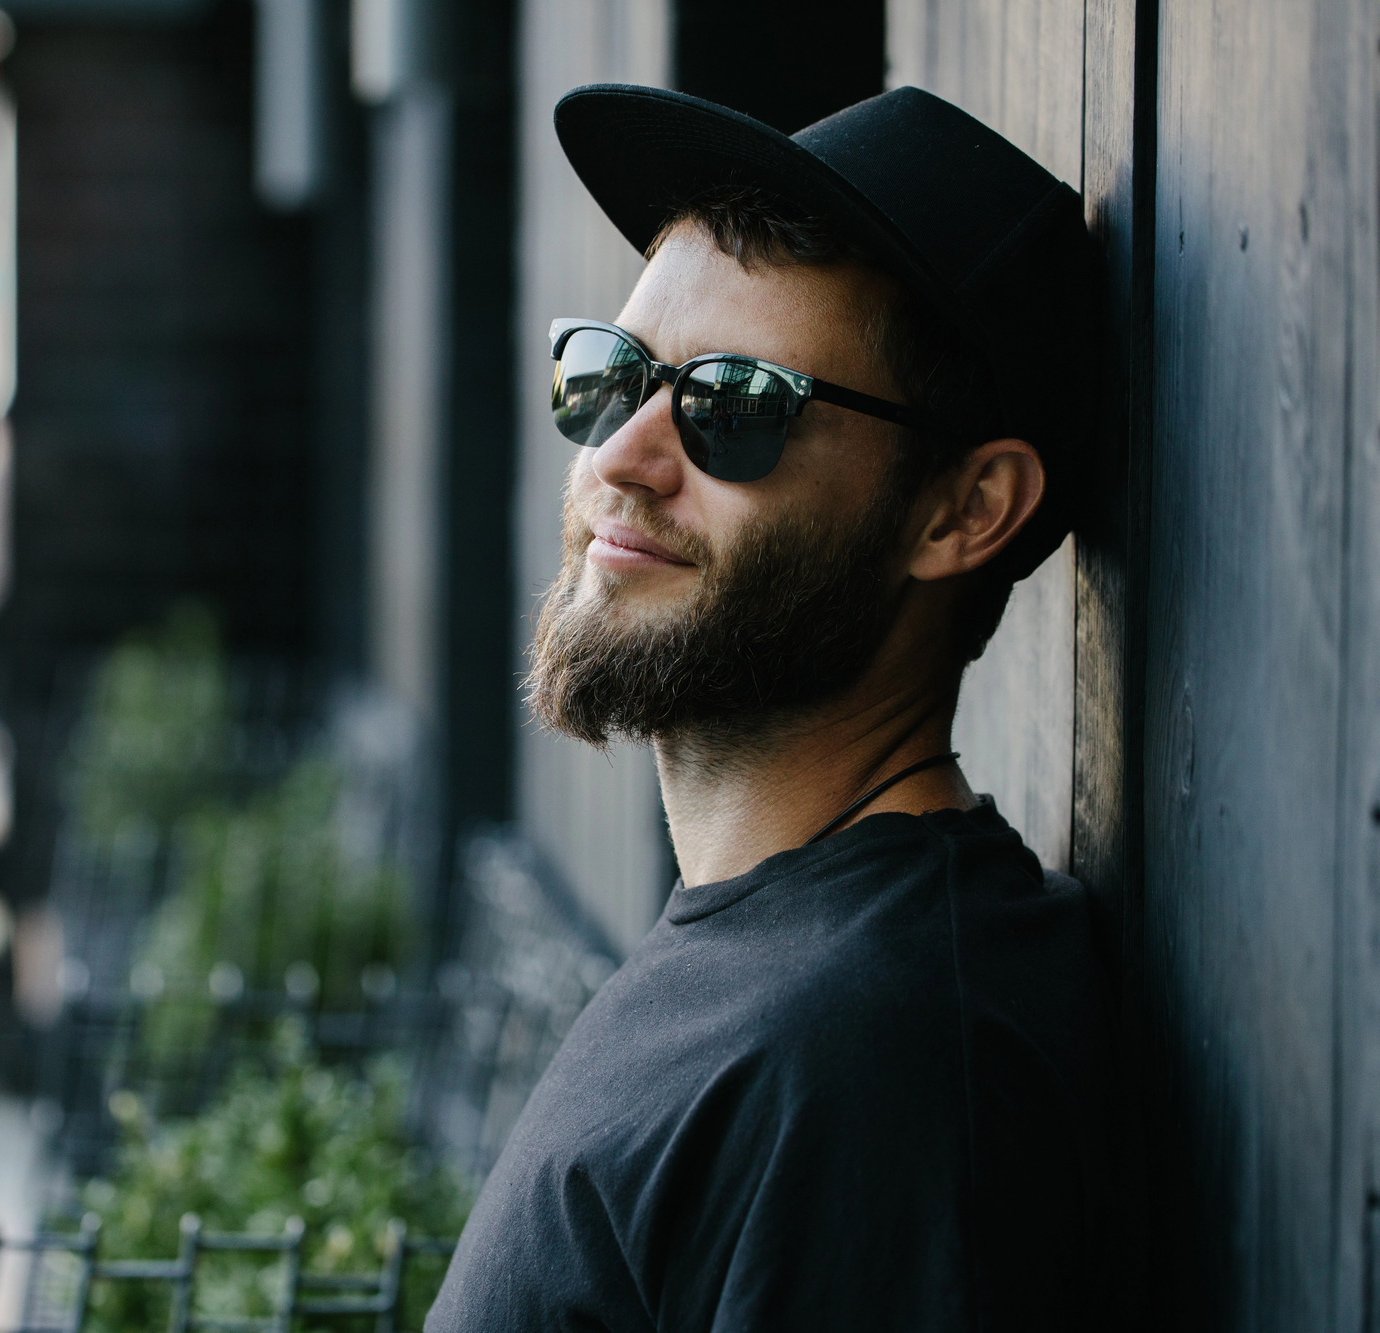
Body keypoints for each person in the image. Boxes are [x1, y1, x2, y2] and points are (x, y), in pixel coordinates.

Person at [426, 85, 1123, 1331]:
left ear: (963, 511)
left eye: (735, 406)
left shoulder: (876, 1059)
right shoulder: (789, 970)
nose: (620, 459)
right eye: (609, 373)